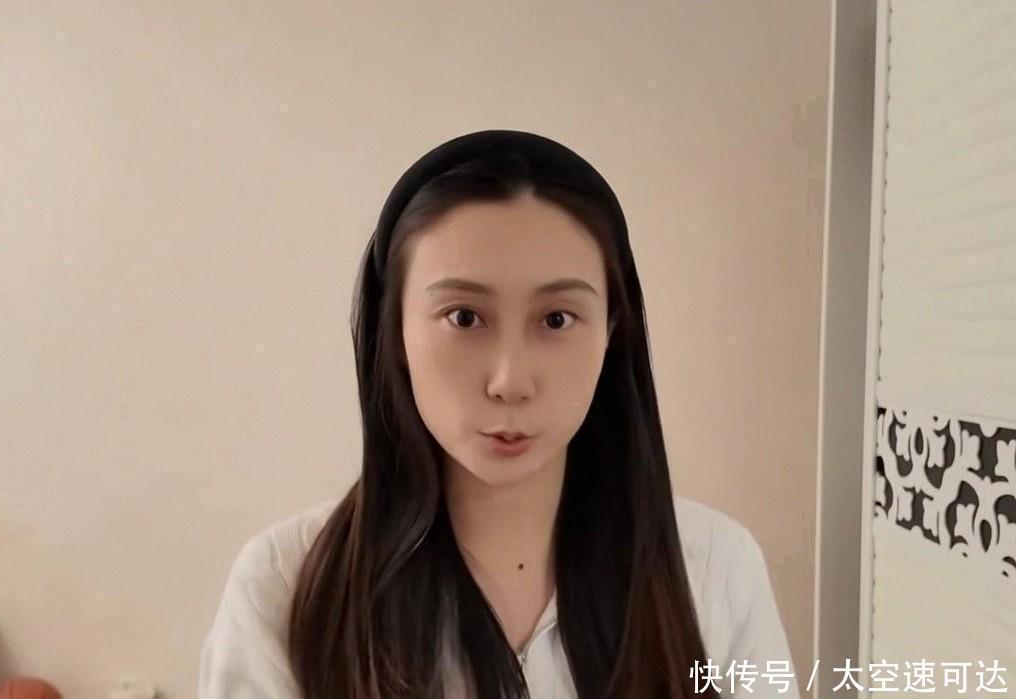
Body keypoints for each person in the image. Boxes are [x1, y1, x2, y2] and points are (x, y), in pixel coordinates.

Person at [198, 129, 798, 698]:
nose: (510, 380)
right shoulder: (285, 584)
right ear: (395, 331)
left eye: (556, 319)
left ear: (611, 331)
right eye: (464, 317)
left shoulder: (713, 568)